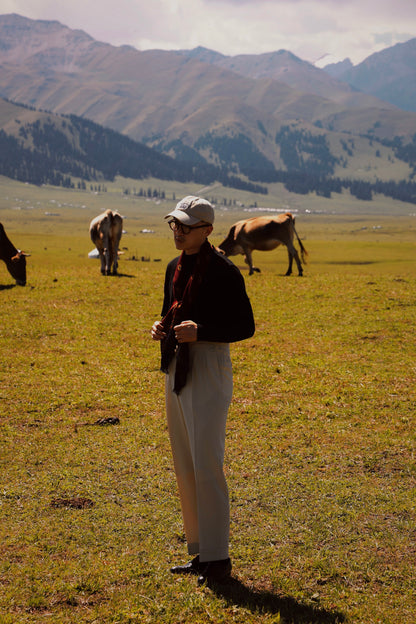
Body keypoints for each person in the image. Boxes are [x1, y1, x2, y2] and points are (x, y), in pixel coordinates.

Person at [151, 195, 255, 585]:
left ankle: (219, 559)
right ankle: (201, 551)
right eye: (174, 224)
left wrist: (203, 332)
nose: (177, 232)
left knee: (207, 463)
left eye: (185, 227)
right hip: (177, 366)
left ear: (207, 231)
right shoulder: (173, 267)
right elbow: (171, 307)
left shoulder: (226, 272)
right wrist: (160, 327)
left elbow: (245, 326)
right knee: (185, 461)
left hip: (209, 367)